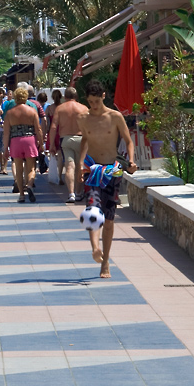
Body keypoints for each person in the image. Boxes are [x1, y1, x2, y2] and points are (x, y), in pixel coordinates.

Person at [76, 79, 137, 278]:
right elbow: (85, 140)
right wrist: (80, 164)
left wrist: (131, 161)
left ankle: (106, 261)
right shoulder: (83, 118)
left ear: (104, 96)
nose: (94, 105)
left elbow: (128, 141)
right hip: (92, 170)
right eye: (90, 101)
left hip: (112, 171)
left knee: (109, 220)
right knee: (92, 211)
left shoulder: (115, 116)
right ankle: (95, 248)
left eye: (97, 101)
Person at [50, 86, 90, 203]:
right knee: (79, 166)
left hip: (66, 139)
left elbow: (53, 127)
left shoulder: (60, 108)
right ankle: (78, 193)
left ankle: (71, 193)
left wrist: (52, 144)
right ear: (76, 96)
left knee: (69, 166)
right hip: (81, 139)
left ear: (65, 97)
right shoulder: (83, 108)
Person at [3, 87, 43, 203]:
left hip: (15, 141)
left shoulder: (10, 113)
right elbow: (38, 129)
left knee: (19, 169)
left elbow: (6, 133)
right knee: (31, 168)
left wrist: (5, 148)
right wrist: (41, 143)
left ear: (15, 98)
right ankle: (29, 184)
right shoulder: (32, 111)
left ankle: (21, 195)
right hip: (30, 139)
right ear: (26, 97)